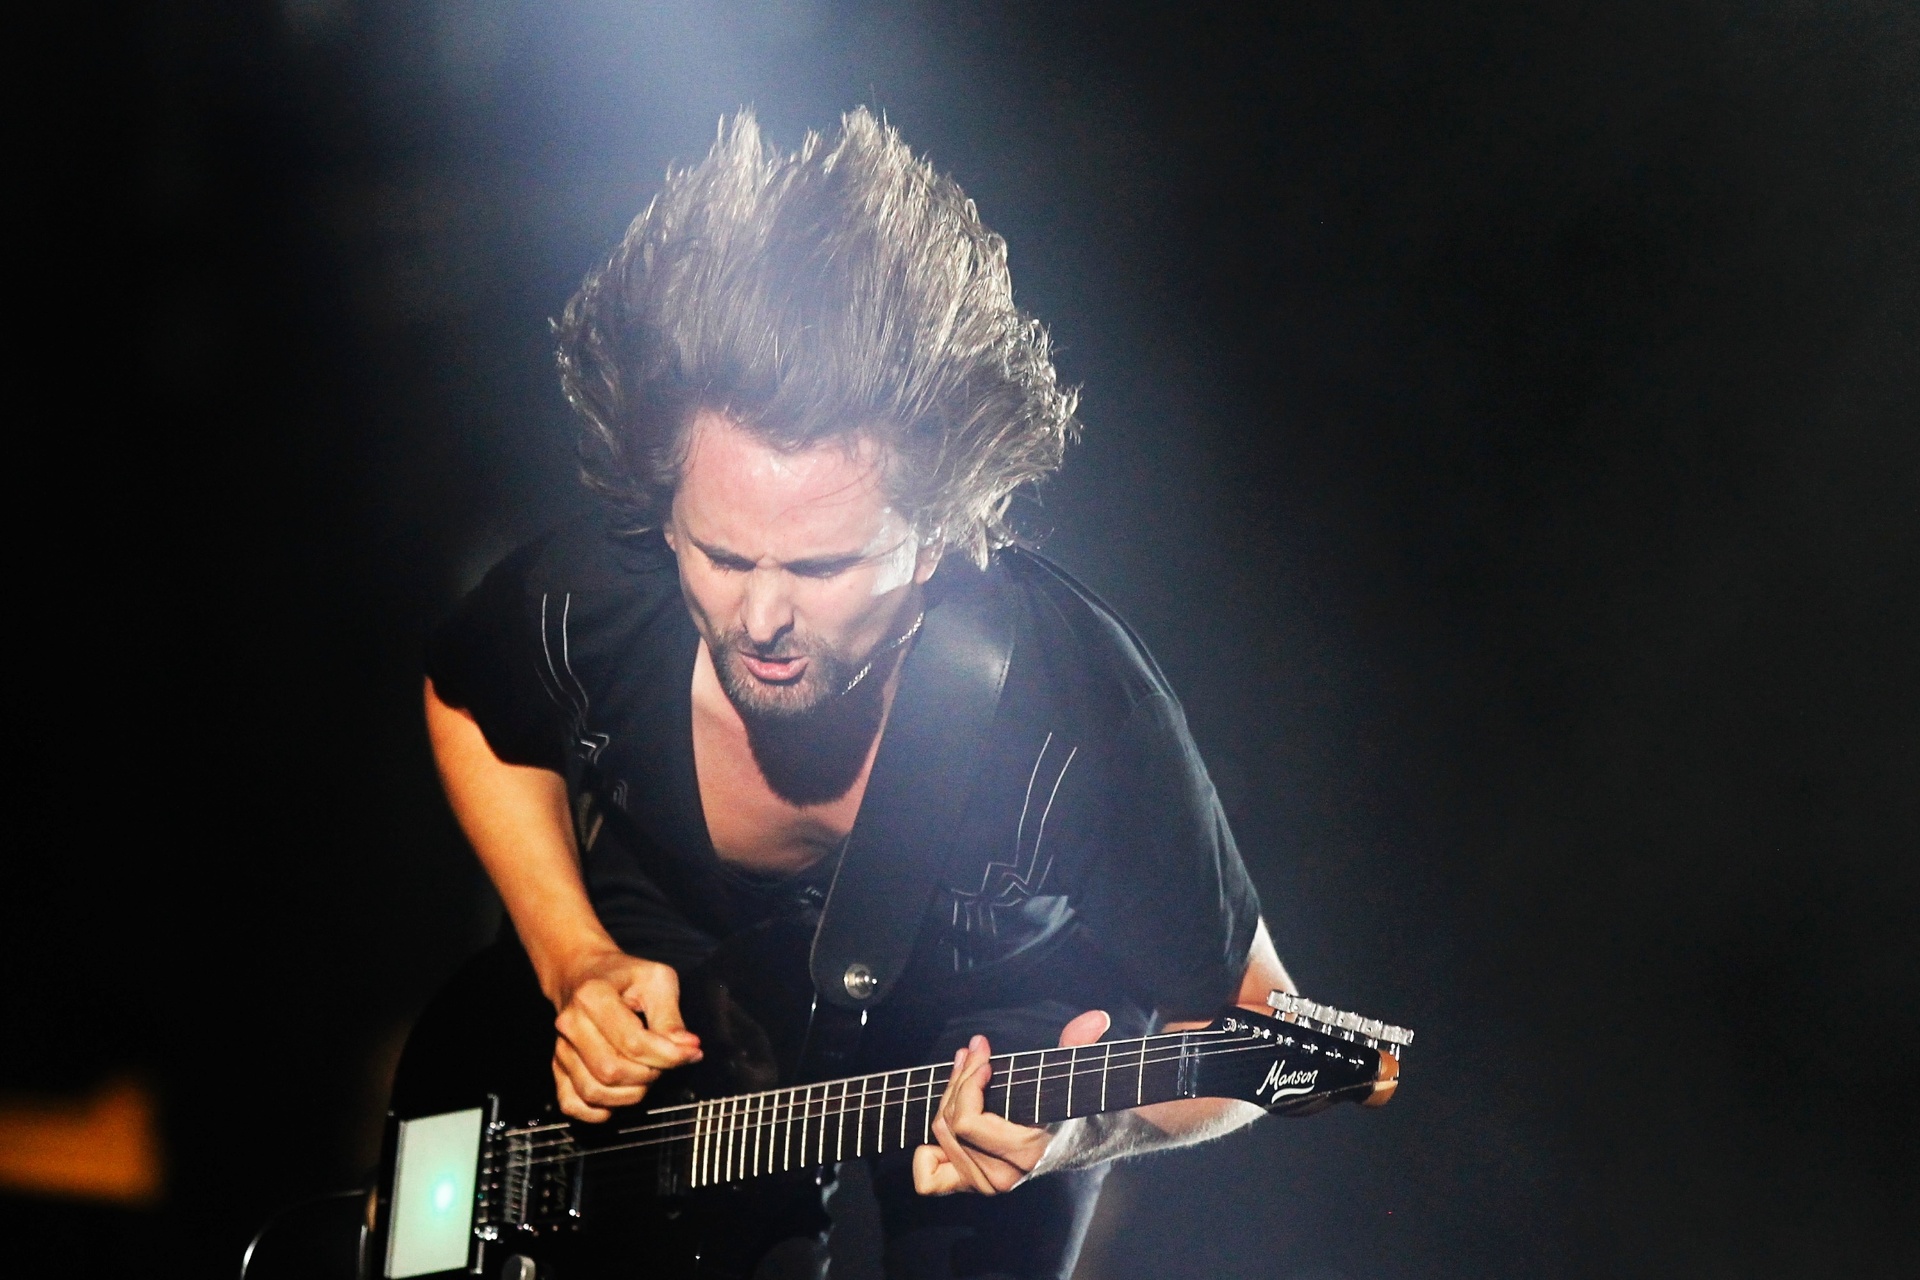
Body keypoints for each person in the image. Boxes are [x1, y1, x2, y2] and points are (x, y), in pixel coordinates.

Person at [423, 109, 1294, 1280]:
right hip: (675, 1056)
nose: (760, 614)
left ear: (937, 537)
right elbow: (469, 704)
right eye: (721, 554)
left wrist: (1083, 1131)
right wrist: (571, 955)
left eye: (822, 565)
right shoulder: (602, 589)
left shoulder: (1074, 704)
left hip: (981, 1062)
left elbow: (1257, 1023)